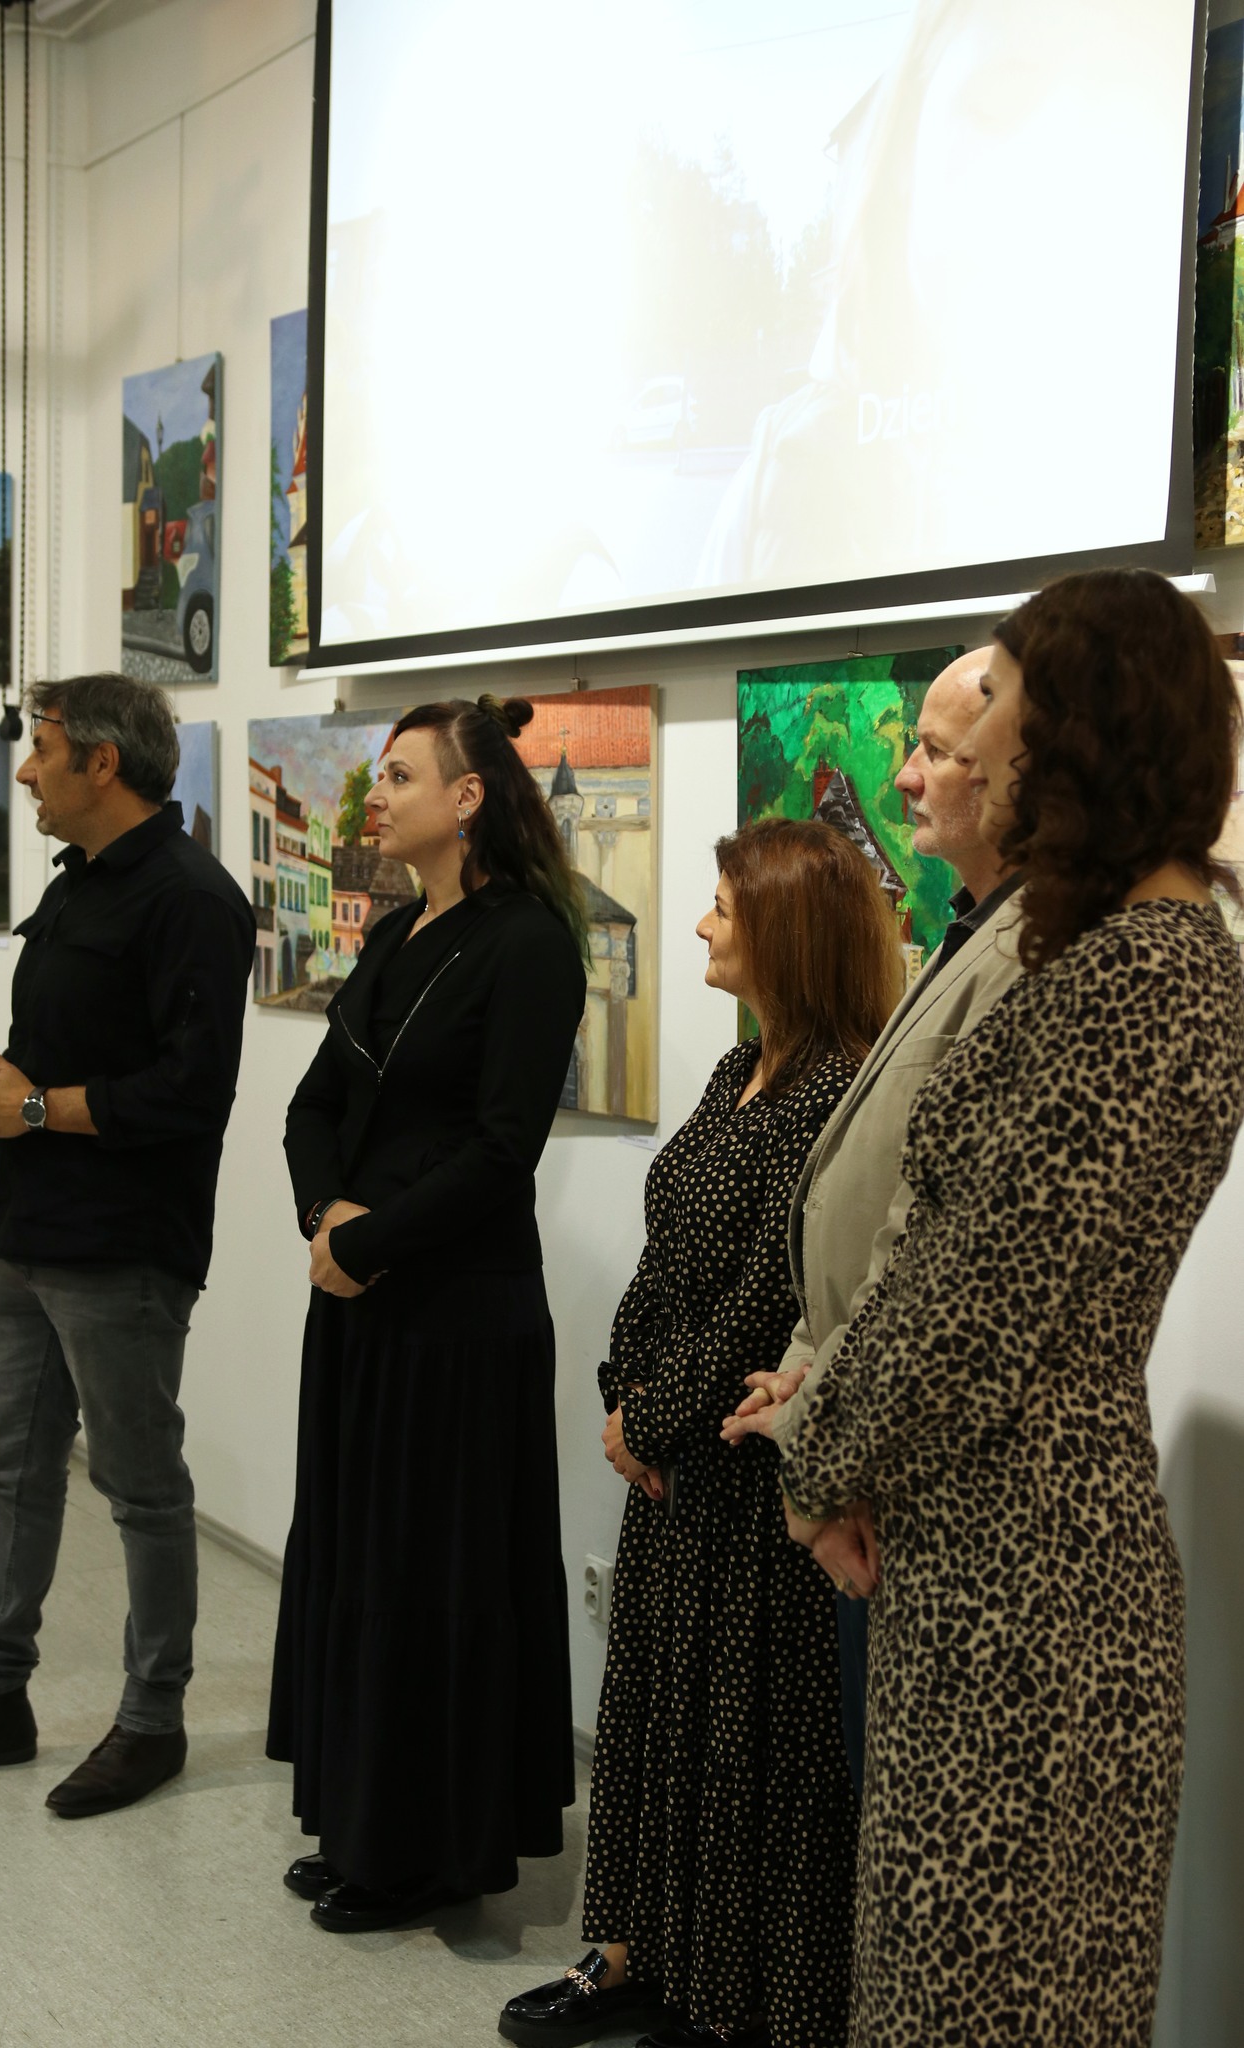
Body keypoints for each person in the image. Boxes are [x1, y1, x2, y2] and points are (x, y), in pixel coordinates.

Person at [771, 570, 1244, 2046]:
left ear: (1090, 734)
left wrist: (817, 1462)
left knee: (988, 1992)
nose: (981, 754)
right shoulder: (1115, 953)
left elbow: (975, 1302)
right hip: (986, 1544)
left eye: (1010, 720)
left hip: (1030, 1590)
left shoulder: (1148, 979)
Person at [500, 817, 902, 2048]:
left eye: (724, 906)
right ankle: (637, 1952)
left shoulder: (834, 1095)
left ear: (788, 926)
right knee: (658, 1717)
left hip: (744, 1471)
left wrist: (659, 1420)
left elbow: (769, 1297)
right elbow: (667, 1251)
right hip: (673, 1460)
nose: (699, 923)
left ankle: (733, 1991)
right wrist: (625, 1393)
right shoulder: (740, 1070)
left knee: (748, 1747)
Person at [0, 672, 254, 1817]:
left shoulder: (193, 898)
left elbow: (192, 1092)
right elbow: (73, 1056)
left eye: (42, 747)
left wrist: (34, 1107)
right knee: (12, 1470)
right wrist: (3, 1097)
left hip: (124, 1247)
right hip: (29, 1228)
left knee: (141, 1487)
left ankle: (152, 1717)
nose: (25, 768)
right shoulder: (77, 881)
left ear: (103, 761)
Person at [269, 693, 587, 1934]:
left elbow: (502, 1150)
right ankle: (366, 1822)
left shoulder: (530, 943)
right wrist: (326, 1218)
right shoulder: (399, 933)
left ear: (467, 797)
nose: (379, 794)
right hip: (362, 1300)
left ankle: (430, 1850)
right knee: (363, 1561)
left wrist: (367, 1240)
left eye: (400, 774)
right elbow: (313, 1104)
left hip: (457, 1315)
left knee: (434, 1578)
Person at [721, 647, 1024, 1794]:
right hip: (856, 1436)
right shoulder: (967, 931)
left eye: (936, 751)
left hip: (909, 1481)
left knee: (904, 1813)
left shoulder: (1028, 958)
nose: (903, 775)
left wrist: (816, 1449)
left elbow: (931, 1249)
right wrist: (808, 1363)